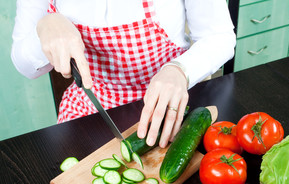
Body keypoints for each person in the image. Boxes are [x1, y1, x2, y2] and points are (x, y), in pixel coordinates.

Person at [11, 0, 236, 148]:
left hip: (171, 105)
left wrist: (180, 70)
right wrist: (44, 27)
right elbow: (25, 67)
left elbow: (220, 37)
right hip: (89, 112)